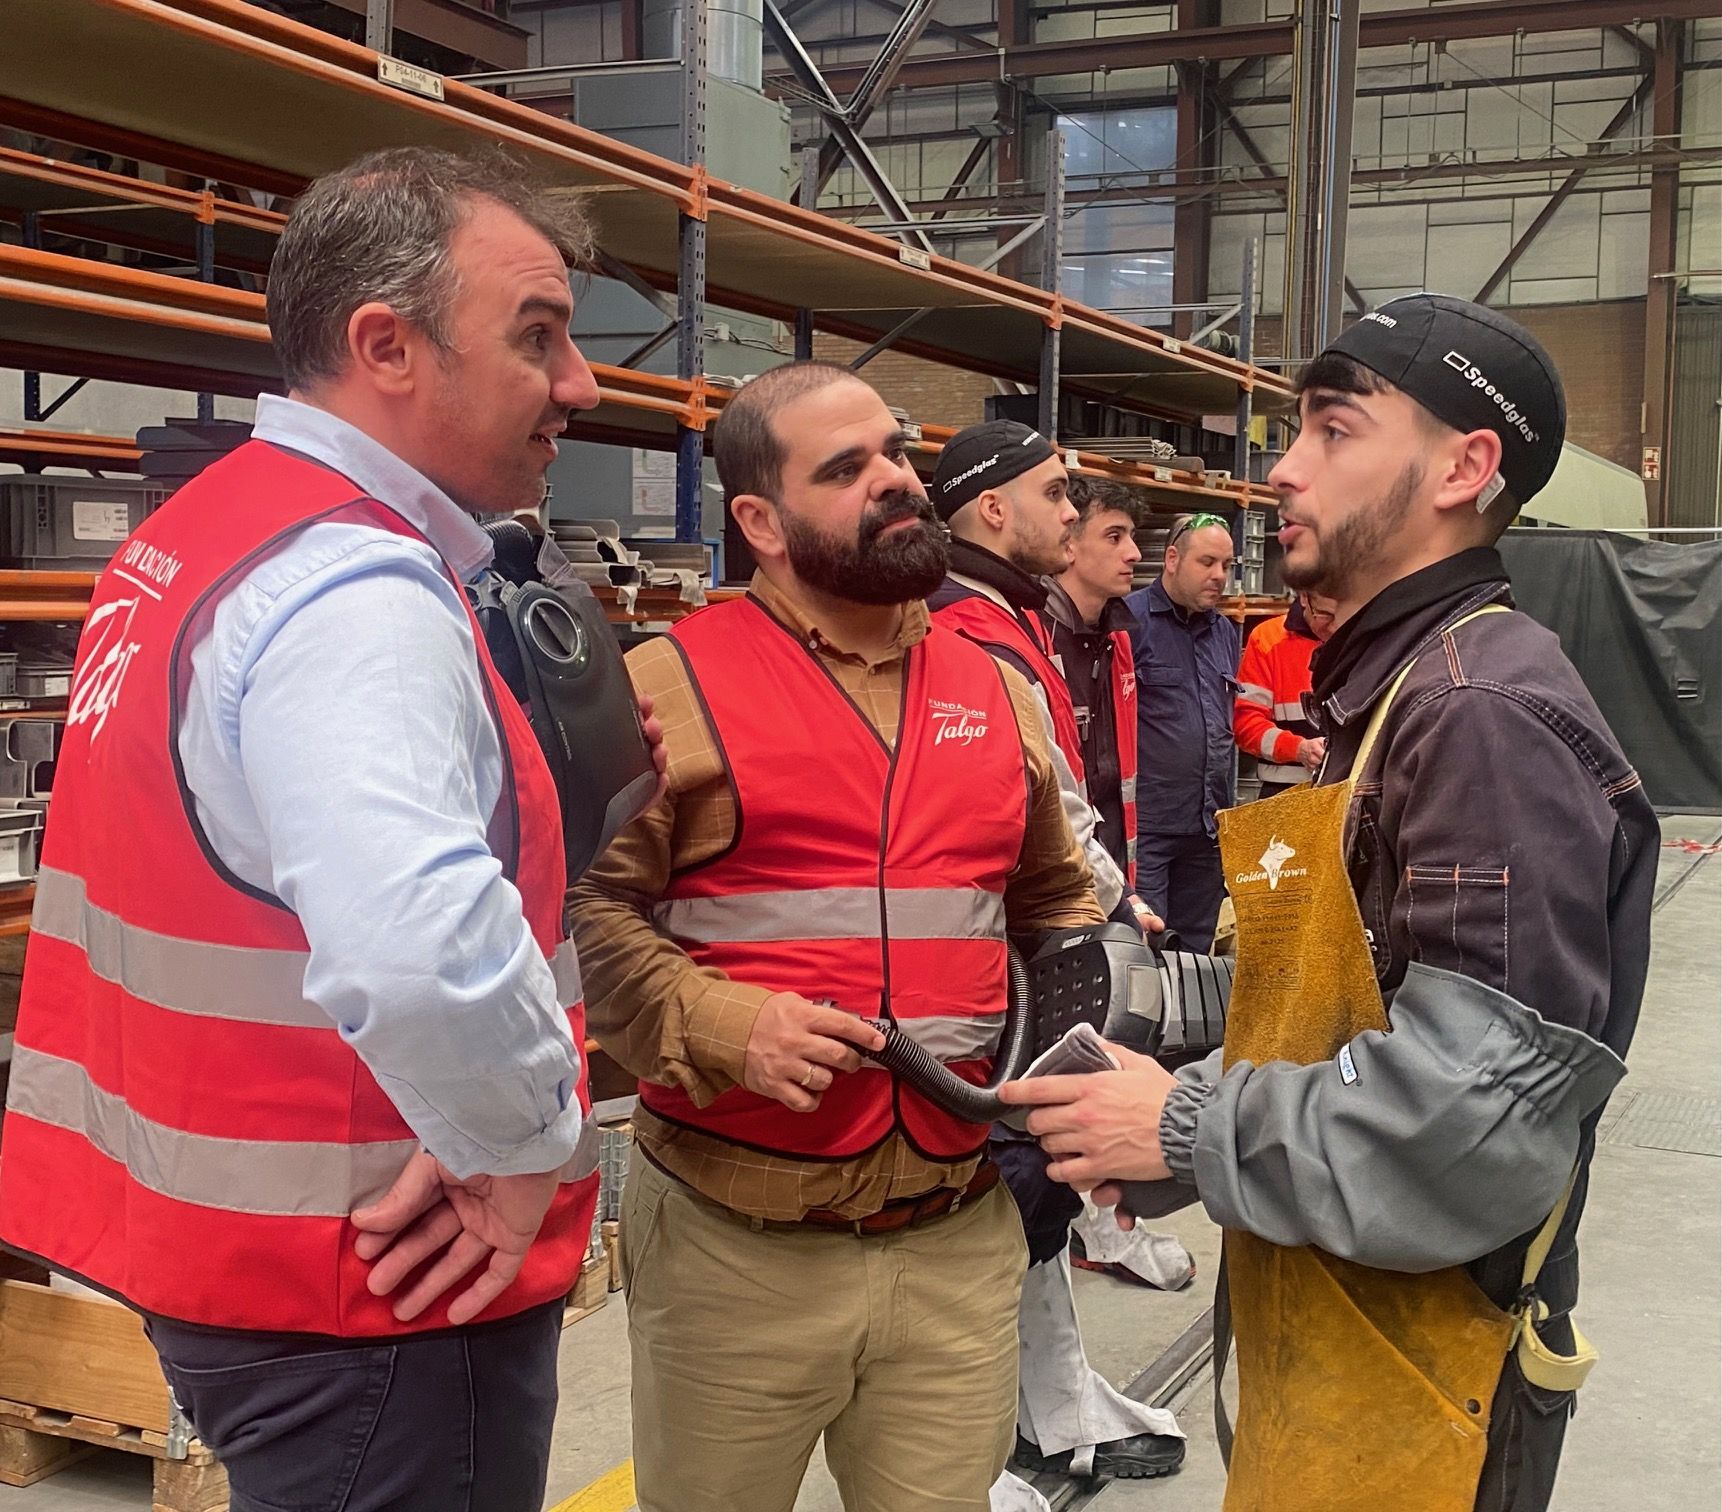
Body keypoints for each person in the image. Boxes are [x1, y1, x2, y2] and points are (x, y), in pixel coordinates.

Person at [0, 149, 670, 1511]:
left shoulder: (207, 534)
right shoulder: (355, 592)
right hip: (383, 1280)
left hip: (240, 1254)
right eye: (536, 338)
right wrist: (527, 1146)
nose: (580, 386)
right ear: (388, 347)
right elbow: (423, 955)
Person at [1003, 294, 1657, 1512]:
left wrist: (1189, 1131)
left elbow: (1474, 1123)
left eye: (1333, 431)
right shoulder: (1392, 689)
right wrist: (1157, 1055)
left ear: (1466, 468)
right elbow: (1349, 1001)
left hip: (1424, 1374)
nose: (1283, 470)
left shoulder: (1480, 712)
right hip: (1341, 1336)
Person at [566, 361, 1104, 1512]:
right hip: (735, 1249)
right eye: (847, 468)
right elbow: (584, 914)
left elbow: (1055, 902)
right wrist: (721, 1022)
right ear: (758, 520)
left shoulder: (995, 687)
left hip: (957, 1240)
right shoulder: (669, 684)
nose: (897, 482)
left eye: (898, 455)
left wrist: (1062, 1071)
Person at [926, 428, 1185, 1491]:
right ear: (992, 510)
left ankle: (1047, 1398)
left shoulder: (1007, 619)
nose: (1073, 517)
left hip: (1024, 947)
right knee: (1000, 1191)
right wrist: (1115, 905)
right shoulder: (970, 628)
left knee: (1029, 1192)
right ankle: (980, 1434)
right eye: (1054, 495)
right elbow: (1043, 800)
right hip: (997, 962)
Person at [1043, 475, 1195, 1293]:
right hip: (1064, 886)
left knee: (1113, 1040)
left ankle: (1098, 1221)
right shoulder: (1033, 639)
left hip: (1106, 872)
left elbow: (1110, 783)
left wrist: (1123, 884)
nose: (1132, 553)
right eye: (1114, 537)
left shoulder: (1115, 638)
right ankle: (1090, 1227)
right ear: (1068, 544)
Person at [1124, 512, 1241, 951]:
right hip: (1151, 827)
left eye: (1227, 566)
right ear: (1171, 558)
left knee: (1194, 954)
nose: (1219, 576)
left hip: (1207, 830)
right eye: (1207, 562)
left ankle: (1187, 1024)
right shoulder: (1130, 623)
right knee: (1146, 949)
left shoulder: (1225, 632)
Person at [1233, 589, 1337, 799]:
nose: (1334, 625)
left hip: (1352, 790)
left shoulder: (1363, 635)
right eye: (1325, 615)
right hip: (1284, 794)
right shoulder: (1268, 638)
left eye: (1341, 613)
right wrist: (1298, 749)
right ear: (1305, 597)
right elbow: (1245, 724)